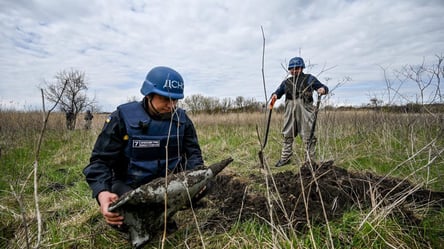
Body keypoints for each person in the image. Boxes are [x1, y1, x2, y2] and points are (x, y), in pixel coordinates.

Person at [83, 66, 204, 231]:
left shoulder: (182, 120)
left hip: (170, 184)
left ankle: (167, 209)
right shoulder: (122, 118)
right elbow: (99, 162)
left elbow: (193, 154)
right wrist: (102, 193)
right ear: (149, 94)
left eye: (175, 100)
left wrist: (196, 180)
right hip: (130, 186)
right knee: (126, 219)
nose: (171, 105)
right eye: (165, 99)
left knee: (206, 184)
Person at [271, 56, 328, 167]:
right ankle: (285, 158)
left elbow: (322, 87)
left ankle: (309, 161)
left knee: (308, 135)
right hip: (289, 109)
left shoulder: (309, 78)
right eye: (292, 68)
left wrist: (323, 89)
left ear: (301, 68)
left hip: (305, 109)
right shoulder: (286, 82)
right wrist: (274, 95)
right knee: (287, 133)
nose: (294, 70)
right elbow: (278, 92)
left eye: (297, 68)